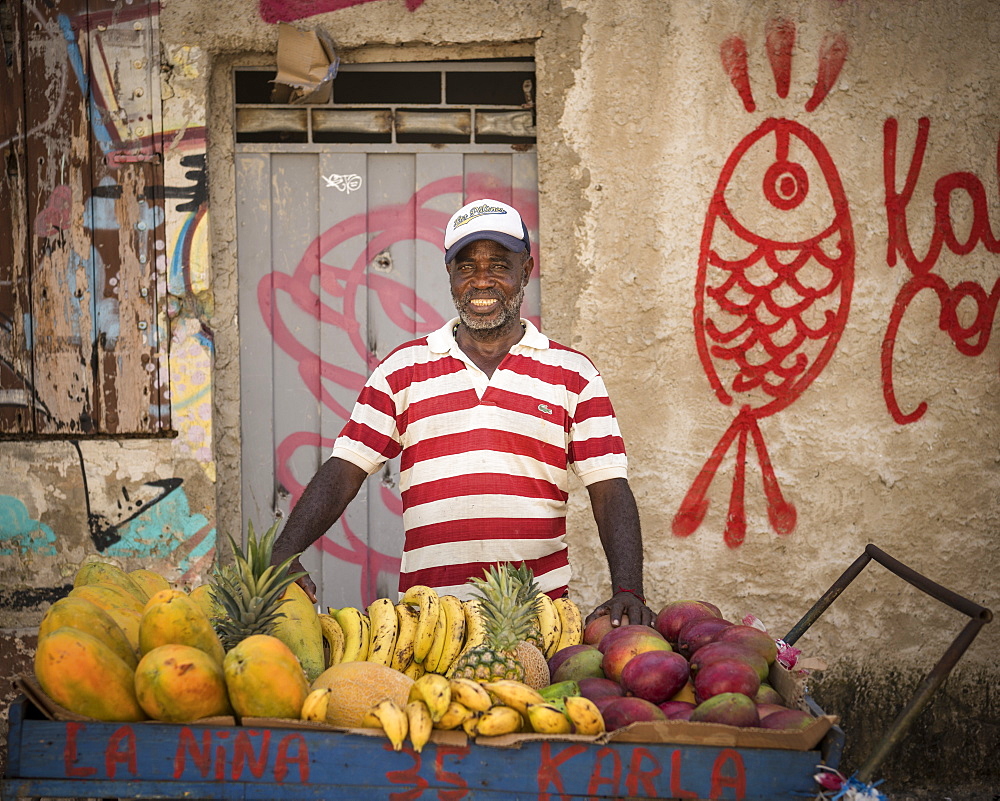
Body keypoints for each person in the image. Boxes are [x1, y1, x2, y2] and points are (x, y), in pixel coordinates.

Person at [271, 198, 653, 627]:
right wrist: (285, 550)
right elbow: (346, 469)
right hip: (428, 623)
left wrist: (628, 588)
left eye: (499, 266)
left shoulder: (573, 374)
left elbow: (608, 488)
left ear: (525, 271)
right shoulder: (403, 369)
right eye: (467, 266)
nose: (482, 281)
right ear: (450, 274)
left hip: (536, 618)